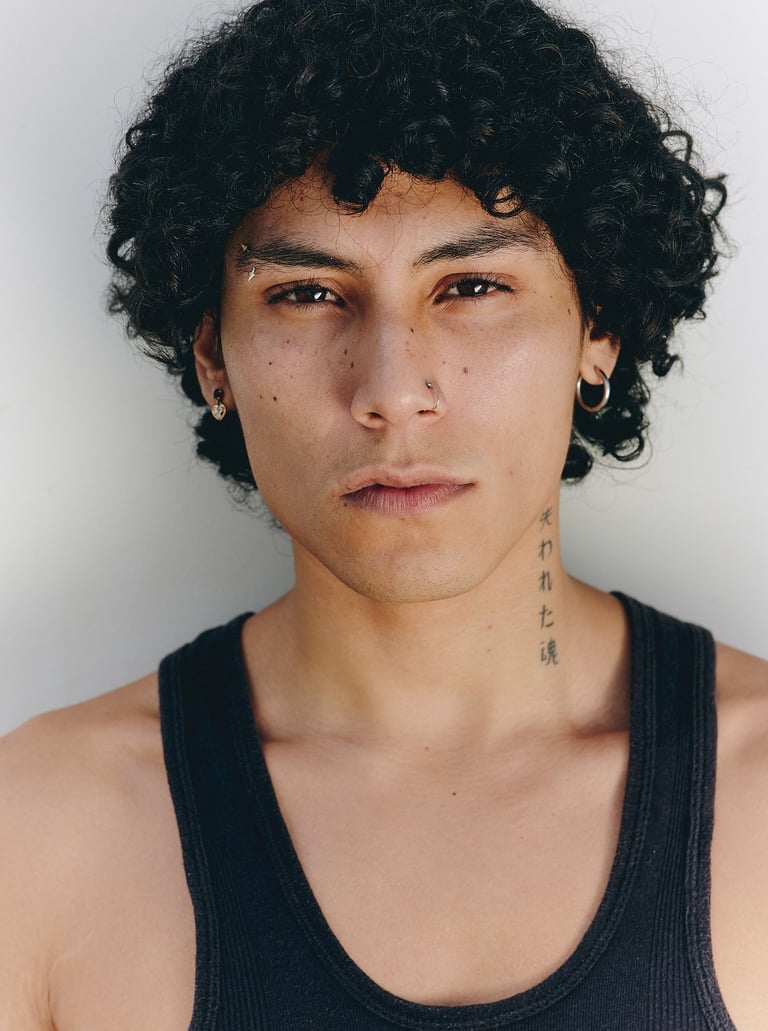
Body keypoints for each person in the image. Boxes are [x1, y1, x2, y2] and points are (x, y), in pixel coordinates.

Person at [1, 0, 766, 1027]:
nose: (394, 391)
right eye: (308, 294)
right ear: (211, 353)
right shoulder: (39, 832)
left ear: (599, 327)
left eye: (473, 285)